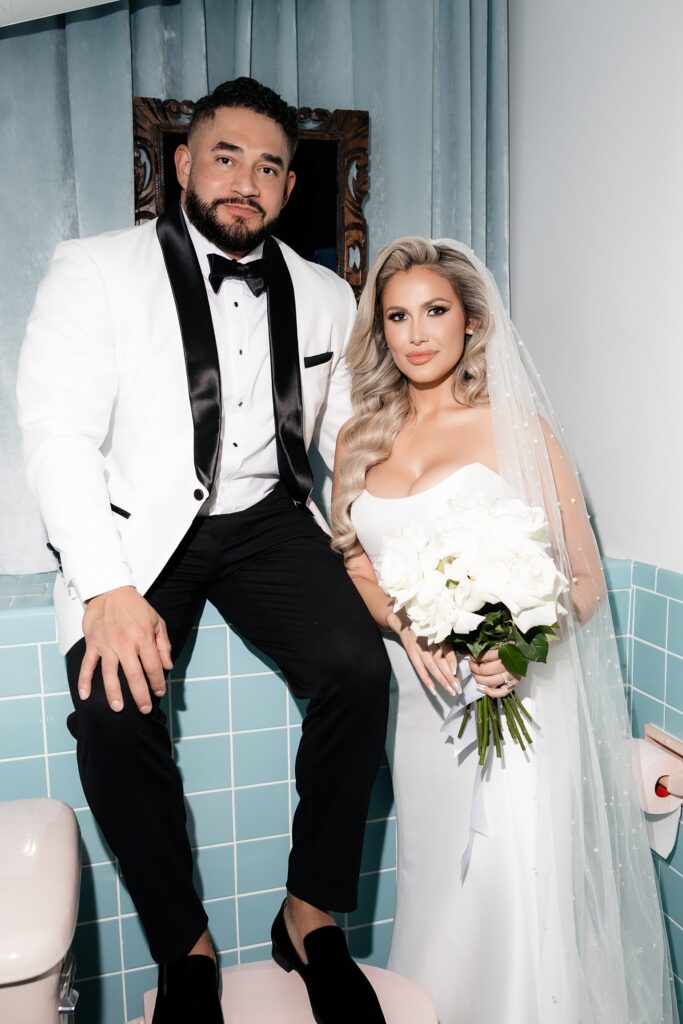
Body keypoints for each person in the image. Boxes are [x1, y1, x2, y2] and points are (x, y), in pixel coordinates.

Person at [17, 77, 390, 1024]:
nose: (245, 181)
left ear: (288, 188)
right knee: (110, 712)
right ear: (182, 165)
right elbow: (55, 430)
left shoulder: (323, 292)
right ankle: (185, 951)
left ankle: (308, 920)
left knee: (356, 672)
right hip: (146, 530)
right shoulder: (94, 267)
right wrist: (104, 584)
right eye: (225, 157)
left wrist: (389, 561)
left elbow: (348, 444)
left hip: (269, 522)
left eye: (268, 167)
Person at [332, 236, 678, 1023]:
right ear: (379, 332)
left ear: (469, 321)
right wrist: (405, 624)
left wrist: (514, 648)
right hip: (422, 715)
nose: (415, 333)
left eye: (434, 311)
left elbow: (582, 578)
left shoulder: (514, 428)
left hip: (512, 708)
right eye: (396, 316)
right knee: (434, 885)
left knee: (507, 887)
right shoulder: (359, 439)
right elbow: (354, 557)